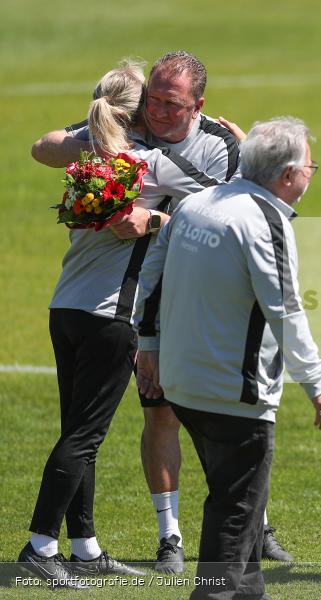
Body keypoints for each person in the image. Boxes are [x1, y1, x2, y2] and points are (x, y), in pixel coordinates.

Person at [32, 51, 291, 571]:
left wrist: (151, 216)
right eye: (150, 100)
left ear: (197, 106)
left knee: (217, 412)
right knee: (135, 421)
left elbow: (232, 213)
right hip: (122, 308)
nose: (157, 112)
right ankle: (89, 544)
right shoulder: (124, 139)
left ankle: (248, 528)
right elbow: (44, 148)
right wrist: (102, 142)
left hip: (159, 298)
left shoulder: (209, 145)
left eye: (170, 104)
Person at [18, 60, 220, 588]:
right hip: (112, 315)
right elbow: (215, 205)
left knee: (75, 432)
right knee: (84, 437)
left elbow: (45, 146)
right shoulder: (148, 162)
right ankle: (40, 545)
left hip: (65, 308)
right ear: (137, 115)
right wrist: (159, 218)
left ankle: (84, 547)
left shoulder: (91, 156)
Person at [132, 116, 321, 600]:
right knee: (235, 510)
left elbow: (152, 278)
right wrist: (318, 385)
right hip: (235, 392)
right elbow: (285, 310)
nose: (312, 172)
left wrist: (148, 347)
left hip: (183, 385)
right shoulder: (265, 222)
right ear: (289, 174)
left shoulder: (197, 204)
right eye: (311, 164)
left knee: (237, 501)